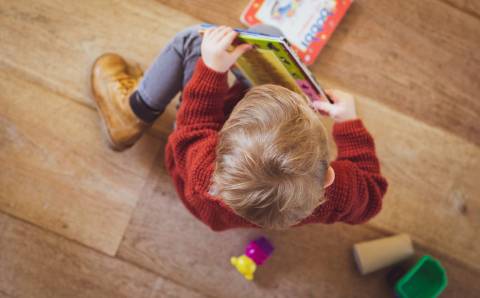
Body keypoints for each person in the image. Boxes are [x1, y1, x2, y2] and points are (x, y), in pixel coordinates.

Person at [91, 25, 388, 230]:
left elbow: (196, 124)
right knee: (267, 36)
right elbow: (372, 195)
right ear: (327, 177)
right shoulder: (338, 193)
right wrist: (348, 123)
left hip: (192, 158)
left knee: (193, 40)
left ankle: (132, 112)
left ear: (224, 140)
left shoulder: (204, 168)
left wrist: (212, 70)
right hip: (240, 209)